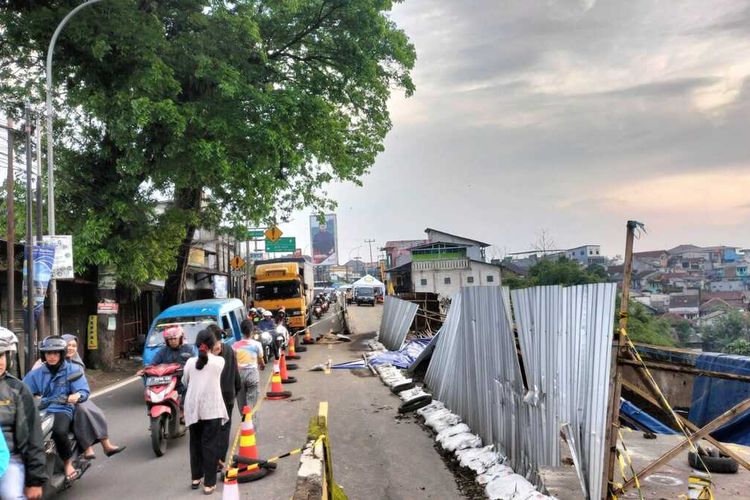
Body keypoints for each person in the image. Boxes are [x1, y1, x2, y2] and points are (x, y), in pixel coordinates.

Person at [23, 336, 90, 482]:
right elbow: (22, 390)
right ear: (43, 355)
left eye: (55, 353)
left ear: (61, 353)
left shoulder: (72, 369)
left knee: (59, 432)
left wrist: (77, 395)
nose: (52, 356)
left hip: (62, 408)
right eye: (48, 353)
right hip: (41, 409)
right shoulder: (36, 373)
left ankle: (67, 464)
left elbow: (83, 390)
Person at [61, 334, 125, 460]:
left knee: (94, 411)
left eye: (74, 346)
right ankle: (89, 447)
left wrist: (78, 394)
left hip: (77, 397)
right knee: (82, 411)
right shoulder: (53, 362)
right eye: (68, 345)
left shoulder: (76, 362)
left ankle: (104, 444)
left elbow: (81, 385)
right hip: (59, 399)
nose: (71, 348)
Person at [0, 327, 47, 499]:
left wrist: (34, 480)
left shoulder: (18, 389)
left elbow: (33, 436)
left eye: (2, 355)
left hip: (10, 459)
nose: (0, 361)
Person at [182, 329, 228, 495]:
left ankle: (196, 477)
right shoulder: (219, 362)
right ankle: (209, 483)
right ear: (213, 345)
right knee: (210, 445)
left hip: (193, 407)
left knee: (195, 442)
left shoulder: (189, 363)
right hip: (211, 408)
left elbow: (185, 382)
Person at [206, 325, 240, 470]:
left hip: (216, 397)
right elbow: (236, 373)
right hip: (228, 395)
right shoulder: (230, 350)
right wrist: (236, 389)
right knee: (224, 428)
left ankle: (215, 460)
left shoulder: (209, 355)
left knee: (215, 429)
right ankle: (220, 459)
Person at [233, 320, 265, 424]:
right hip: (252, 375)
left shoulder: (235, 346)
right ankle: (252, 429)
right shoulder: (257, 345)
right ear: (252, 331)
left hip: (239, 376)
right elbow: (261, 360)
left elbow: (233, 362)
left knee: (242, 404)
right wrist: (262, 365)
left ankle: (245, 424)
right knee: (252, 404)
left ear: (241, 331)